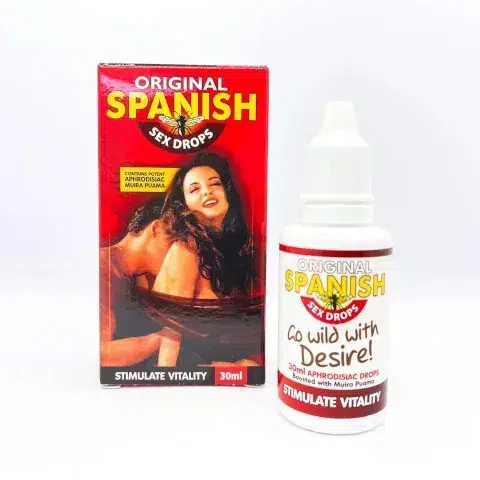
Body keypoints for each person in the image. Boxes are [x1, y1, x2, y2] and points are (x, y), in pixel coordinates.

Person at [100, 151, 258, 367]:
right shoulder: (104, 269)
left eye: (215, 184)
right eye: (175, 238)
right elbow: (102, 356)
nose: (173, 256)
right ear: (157, 228)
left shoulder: (139, 277)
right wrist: (166, 342)